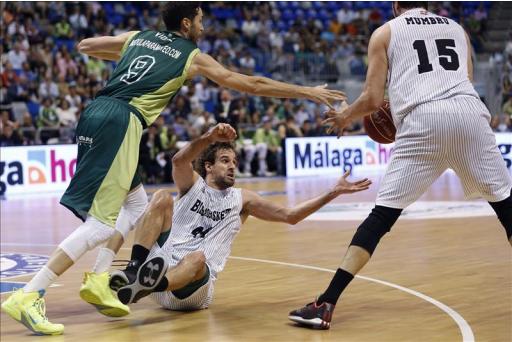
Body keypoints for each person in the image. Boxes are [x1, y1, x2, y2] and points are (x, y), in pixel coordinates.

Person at [1, 2, 346, 336]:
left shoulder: (140, 37)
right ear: (185, 24)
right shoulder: (192, 56)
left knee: (136, 204)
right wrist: (304, 91)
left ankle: (99, 280)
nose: (203, 25)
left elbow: (86, 45)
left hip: (95, 112)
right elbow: (249, 83)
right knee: (100, 226)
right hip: (123, 121)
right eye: (199, 19)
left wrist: (132, 55)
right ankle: (31, 294)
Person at [289, 1, 512, 330]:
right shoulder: (458, 30)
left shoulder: (385, 32)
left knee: (381, 218)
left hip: (423, 120)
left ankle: (326, 303)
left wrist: (344, 117)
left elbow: (373, 100)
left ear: (396, 5)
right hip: (469, 114)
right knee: (506, 209)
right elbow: (463, 80)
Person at [107, 123, 371, 310]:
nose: (233, 165)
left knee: (198, 257)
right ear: (208, 166)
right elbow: (178, 161)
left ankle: (146, 285)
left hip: (190, 289)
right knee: (162, 197)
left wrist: (331, 193)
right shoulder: (192, 185)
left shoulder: (242, 200)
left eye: (234, 161)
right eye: (225, 160)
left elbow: (290, 216)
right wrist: (209, 138)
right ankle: (134, 271)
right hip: (161, 266)